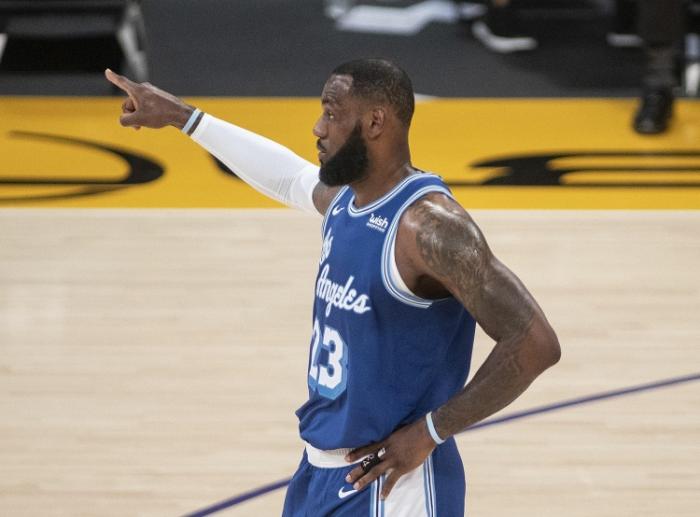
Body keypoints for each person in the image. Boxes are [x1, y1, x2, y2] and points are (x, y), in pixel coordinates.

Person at [105, 58, 560, 516]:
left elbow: (534, 343)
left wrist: (431, 431)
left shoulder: (430, 227)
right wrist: (182, 117)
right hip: (319, 471)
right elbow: (286, 176)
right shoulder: (346, 201)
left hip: (392, 486)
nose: (318, 128)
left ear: (375, 122)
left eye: (331, 113)